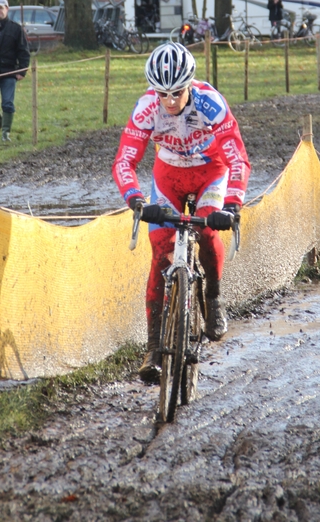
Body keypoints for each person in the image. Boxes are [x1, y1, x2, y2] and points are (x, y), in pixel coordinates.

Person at [112, 42, 251, 383]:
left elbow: (238, 160)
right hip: (169, 177)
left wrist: (232, 205)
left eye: (176, 92)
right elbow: (124, 161)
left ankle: (214, 297)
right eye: (163, 94)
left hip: (210, 173)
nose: (170, 101)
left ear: (190, 84)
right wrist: (135, 199)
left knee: (206, 231)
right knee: (161, 251)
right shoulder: (147, 108)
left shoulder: (211, 103)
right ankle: (154, 348)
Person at [0, 0, 30, 143]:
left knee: (7, 103)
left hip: (8, 73)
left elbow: (24, 51)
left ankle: (5, 134)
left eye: (1, 8)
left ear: (7, 9)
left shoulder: (15, 29)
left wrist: (22, 71)